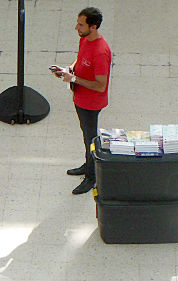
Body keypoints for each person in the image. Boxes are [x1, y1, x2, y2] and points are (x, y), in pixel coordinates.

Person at [51, 7, 111, 195]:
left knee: (90, 138)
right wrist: (68, 69)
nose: (76, 27)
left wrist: (74, 80)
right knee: (86, 135)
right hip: (80, 97)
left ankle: (92, 177)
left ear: (93, 27)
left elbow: (101, 85)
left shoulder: (101, 52)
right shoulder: (84, 39)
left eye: (81, 24)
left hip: (91, 103)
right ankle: (88, 165)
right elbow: (80, 60)